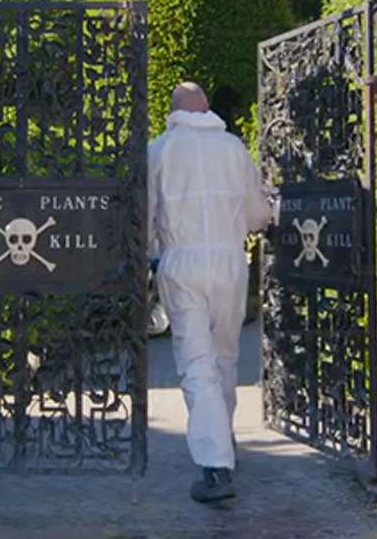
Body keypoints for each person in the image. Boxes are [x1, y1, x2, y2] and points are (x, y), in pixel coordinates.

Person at [147, 81, 273, 503]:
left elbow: (147, 214)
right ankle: (225, 439)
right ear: (206, 108)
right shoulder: (234, 148)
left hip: (182, 261)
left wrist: (149, 252)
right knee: (225, 355)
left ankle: (216, 465)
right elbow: (257, 213)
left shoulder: (161, 149)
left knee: (195, 361)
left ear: (173, 109)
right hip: (230, 260)